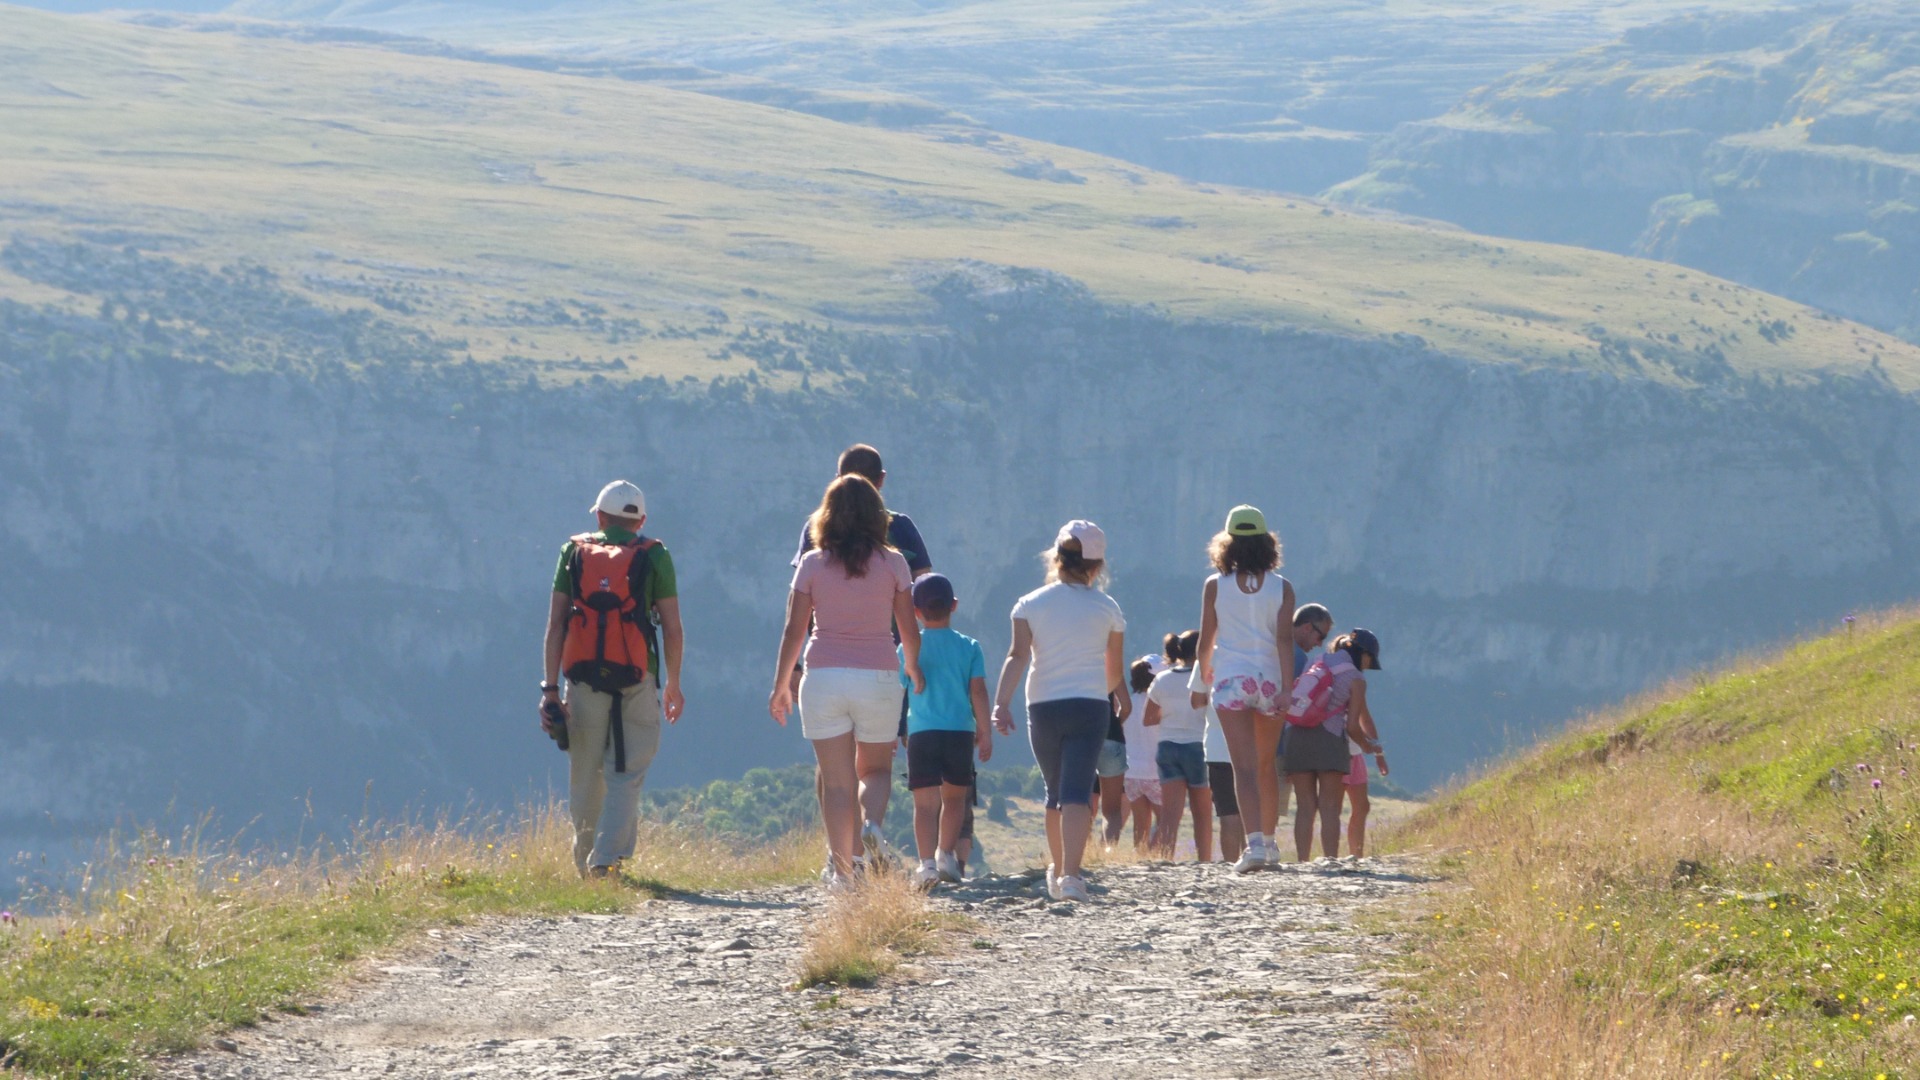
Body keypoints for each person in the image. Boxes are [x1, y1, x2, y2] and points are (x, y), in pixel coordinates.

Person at [770, 475, 924, 886]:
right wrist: (913, 668)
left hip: (822, 676)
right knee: (874, 770)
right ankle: (871, 824)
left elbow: (793, 630)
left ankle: (845, 871)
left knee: (837, 783)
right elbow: (909, 630)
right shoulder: (894, 563)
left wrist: (781, 684)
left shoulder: (812, 564)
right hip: (878, 676)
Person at [540, 480, 685, 878]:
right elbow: (672, 628)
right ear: (640, 520)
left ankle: (587, 867)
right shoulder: (655, 556)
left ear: (600, 517)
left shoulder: (573, 551)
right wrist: (673, 682)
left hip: (583, 676)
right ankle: (606, 860)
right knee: (627, 769)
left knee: (585, 772)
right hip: (637, 676)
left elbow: (556, 625)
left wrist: (550, 689)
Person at [991, 520, 1127, 903]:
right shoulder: (1108, 608)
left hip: (1043, 705)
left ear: (1055, 558)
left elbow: (1017, 656)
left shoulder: (1029, 604)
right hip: (1090, 704)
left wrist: (1001, 704)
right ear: (1096, 567)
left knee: (1055, 792)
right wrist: (1101, 693)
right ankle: (1070, 875)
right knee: (1077, 792)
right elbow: (1114, 670)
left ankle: (1057, 869)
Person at [1190, 505, 1295, 873]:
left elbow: (1206, 640)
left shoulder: (1214, 586)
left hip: (1231, 681)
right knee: (1267, 766)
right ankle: (1269, 841)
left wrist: (1202, 680)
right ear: (1267, 543)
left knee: (1243, 768)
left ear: (1227, 543)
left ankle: (1252, 848)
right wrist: (1286, 689)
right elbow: (1285, 641)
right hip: (1269, 680)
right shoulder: (1282, 587)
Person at [898, 573, 992, 887]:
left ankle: (925, 866)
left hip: (922, 733)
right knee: (954, 799)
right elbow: (977, 691)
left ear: (915, 611)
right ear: (954, 605)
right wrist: (985, 730)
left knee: (924, 804)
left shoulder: (908, 649)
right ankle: (946, 856)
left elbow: (898, 691)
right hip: (959, 733)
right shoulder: (970, 647)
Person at [1282, 629, 1383, 862]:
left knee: (1305, 806)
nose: (1368, 666)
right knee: (1329, 806)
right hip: (1329, 739)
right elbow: (1353, 728)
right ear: (1363, 654)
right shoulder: (1356, 679)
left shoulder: (1317, 661)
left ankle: (1302, 861)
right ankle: (1329, 860)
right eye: (1369, 660)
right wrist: (1369, 747)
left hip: (1296, 735)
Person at [1147, 630, 1213, 861]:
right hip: (1197, 745)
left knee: (1170, 814)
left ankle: (1164, 859)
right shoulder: (1205, 678)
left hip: (1167, 746)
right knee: (1202, 813)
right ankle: (1205, 860)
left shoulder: (1162, 679)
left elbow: (1149, 718)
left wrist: (1171, 715)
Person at [1273, 603, 1334, 821]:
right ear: (1307, 627)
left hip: (1250, 740)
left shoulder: (1269, 646)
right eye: (1321, 636)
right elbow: (1297, 710)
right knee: (1271, 808)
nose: (1319, 644)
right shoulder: (1298, 659)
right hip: (1278, 744)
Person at [1342, 645, 1389, 858]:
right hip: (1339, 751)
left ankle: (1356, 856)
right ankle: (1336, 856)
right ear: (1363, 655)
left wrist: (1378, 751)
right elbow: (1364, 719)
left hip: (1354, 751)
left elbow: (1364, 716)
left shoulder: (1353, 678)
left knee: (1362, 806)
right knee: (1336, 807)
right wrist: (1376, 751)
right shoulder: (1351, 678)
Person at [1119, 658, 1161, 853]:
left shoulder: (1126, 705)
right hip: (1155, 772)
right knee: (1165, 821)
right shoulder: (1158, 705)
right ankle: (1157, 856)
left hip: (1131, 772)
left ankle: (1141, 858)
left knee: (1140, 823)